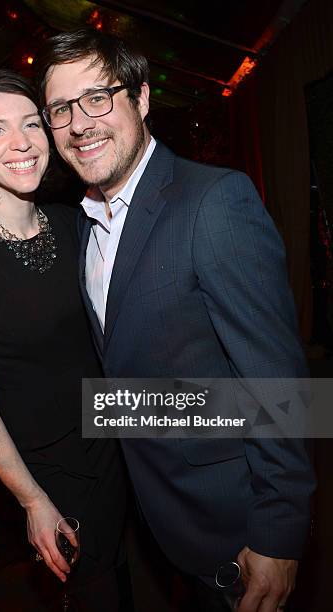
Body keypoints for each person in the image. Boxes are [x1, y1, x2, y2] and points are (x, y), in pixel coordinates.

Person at [35, 28, 316, 612]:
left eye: (97, 97)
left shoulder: (214, 202)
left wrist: (280, 531)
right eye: (61, 109)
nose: (80, 122)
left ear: (140, 99)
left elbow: (279, 383)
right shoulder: (84, 225)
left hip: (236, 525)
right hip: (165, 519)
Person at [0, 69, 128, 611]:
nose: (21, 143)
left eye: (32, 124)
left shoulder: (70, 222)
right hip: (53, 472)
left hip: (111, 439)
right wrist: (33, 501)